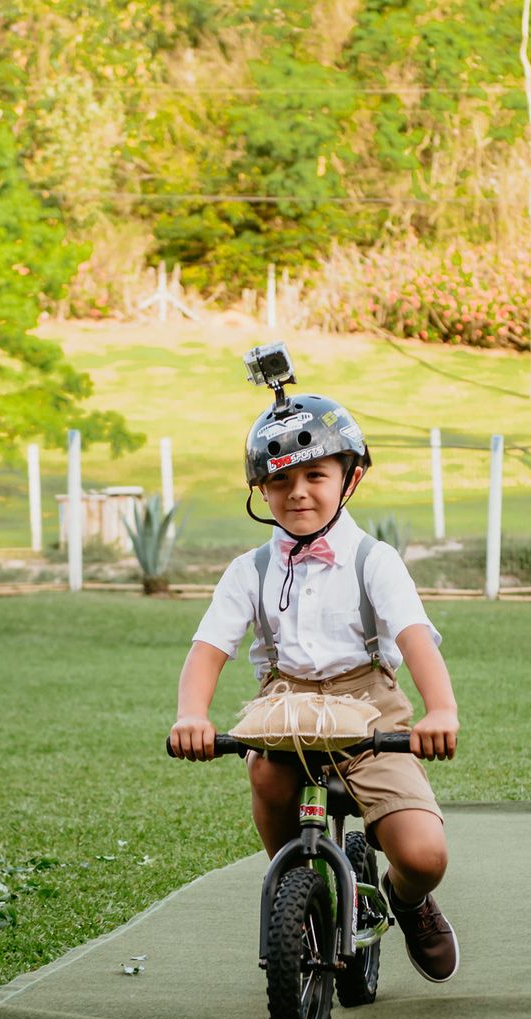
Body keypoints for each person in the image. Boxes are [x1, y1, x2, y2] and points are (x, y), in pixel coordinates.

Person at [167, 352, 462, 982]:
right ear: (261, 490)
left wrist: (441, 710)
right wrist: (191, 713)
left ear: (348, 478)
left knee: (424, 852)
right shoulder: (249, 570)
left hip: (369, 702)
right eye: (279, 481)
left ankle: (407, 901)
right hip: (287, 702)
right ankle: (295, 894)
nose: (298, 493)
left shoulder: (373, 561)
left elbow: (413, 640)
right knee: (269, 776)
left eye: (316, 476)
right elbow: (208, 649)